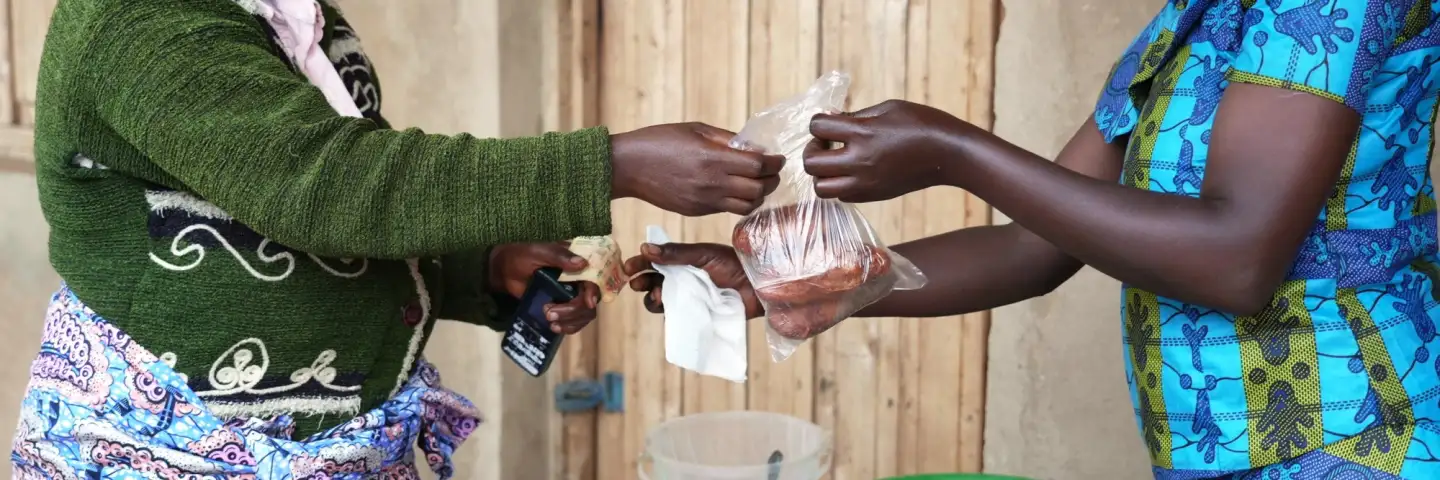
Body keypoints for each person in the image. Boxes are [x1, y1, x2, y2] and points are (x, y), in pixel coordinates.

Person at [626, 1, 1440, 478]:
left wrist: (955, 151)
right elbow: (1033, 248)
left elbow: (1237, 258)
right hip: (1218, 450)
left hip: (1352, 438)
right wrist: (769, 281)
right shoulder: (1195, 18)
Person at [10, 0, 781, 478]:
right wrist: (613, 164)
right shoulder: (140, 18)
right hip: (173, 450)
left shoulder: (298, 19)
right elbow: (327, 185)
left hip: (329, 446)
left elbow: (326, 210)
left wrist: (478, 273)